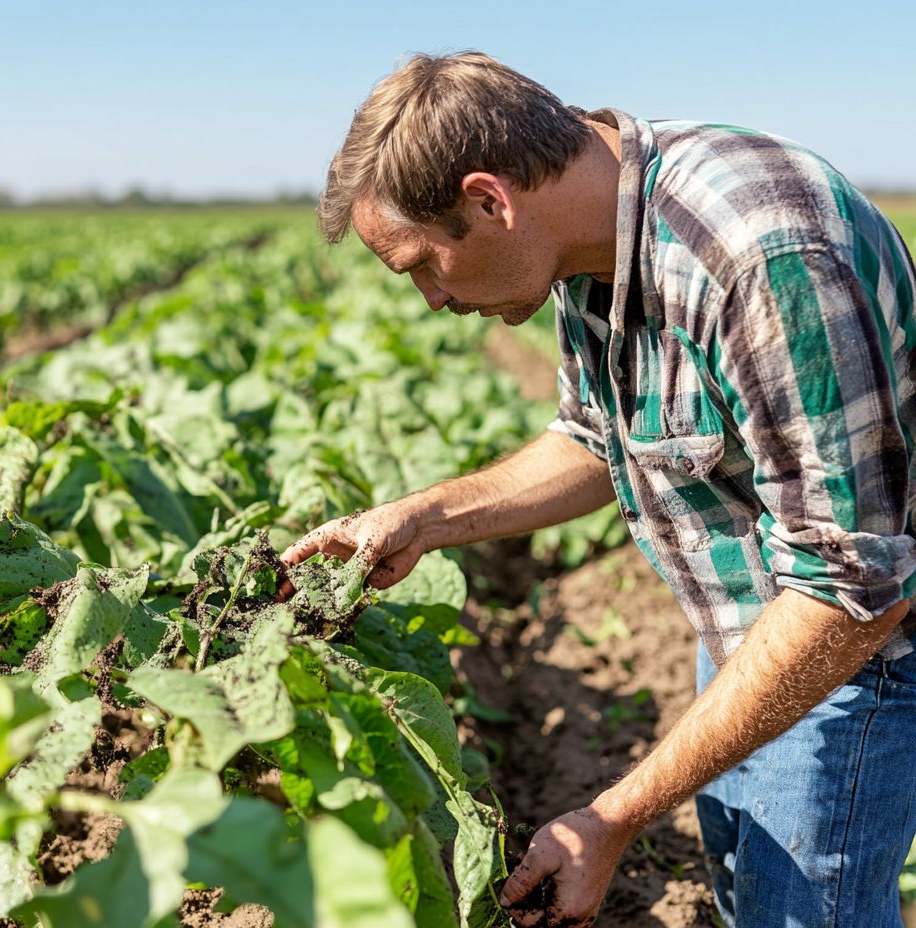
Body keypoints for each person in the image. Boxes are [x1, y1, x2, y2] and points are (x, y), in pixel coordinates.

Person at [281, 51, 916, 927]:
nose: (430, 297)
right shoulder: (586, 245)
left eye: (422, 264)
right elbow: (596, 442)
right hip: (748, 614)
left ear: (489, 201)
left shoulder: (760, 255)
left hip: (850, 654)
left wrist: (613, 817)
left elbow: (852, 588)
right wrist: (423, 518)